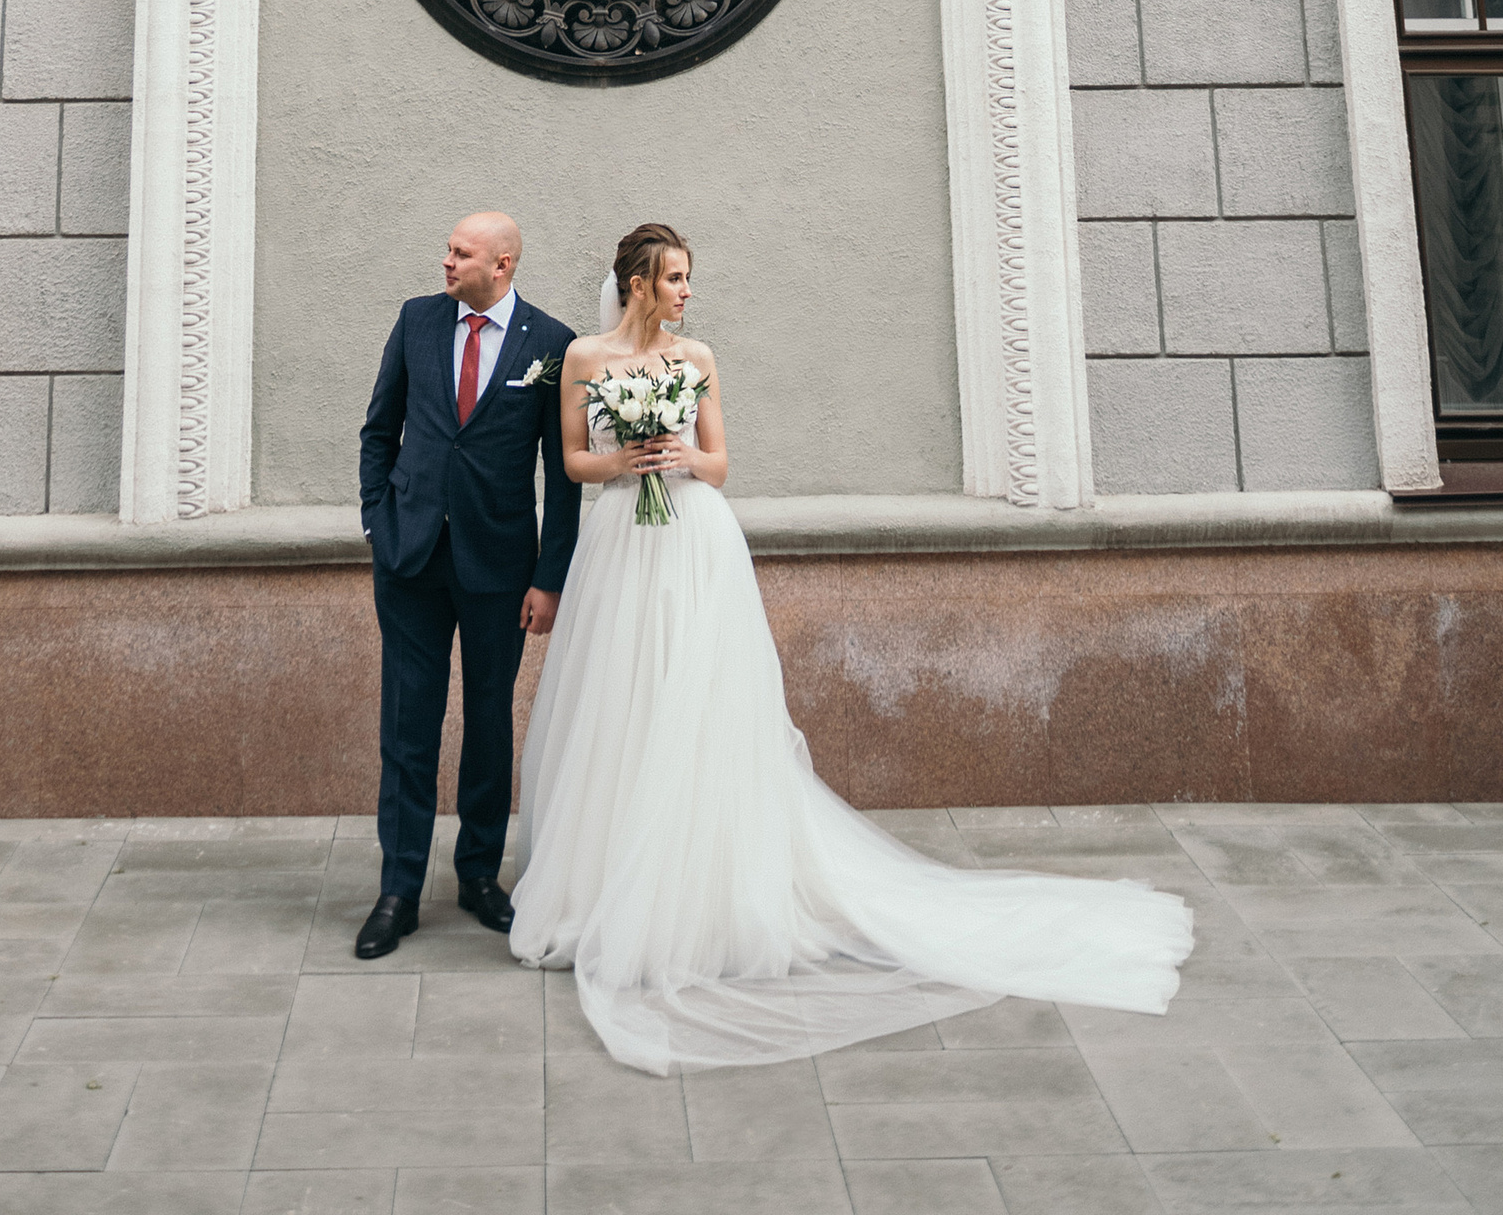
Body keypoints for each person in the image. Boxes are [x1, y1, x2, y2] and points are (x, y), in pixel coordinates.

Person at [507, 219, 1195, 1074]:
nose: (687, 291)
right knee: (623, 702)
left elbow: (722, 465)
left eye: (690, 278)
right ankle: (609, 884)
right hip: (620, 544)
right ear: (639, 282)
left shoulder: (699, 358)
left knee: (698, 698)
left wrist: (679, 453)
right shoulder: (583, 358)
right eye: (675, 277)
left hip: (694, 541)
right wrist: (628, 463)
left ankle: (706, 895)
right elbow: (572, 464)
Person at [353, 209, 578, 960]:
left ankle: (480, 877)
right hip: (410, 560)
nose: (446, 262)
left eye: (461, 253)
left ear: (503, 265)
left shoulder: (550, 344)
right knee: (408, 728)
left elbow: (563, 475)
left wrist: (550, 577)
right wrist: (377, 526)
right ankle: (399, 888)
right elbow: (379, 431)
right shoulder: (417, 322)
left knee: (487, 726)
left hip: (499, 569)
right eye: (447, 248)